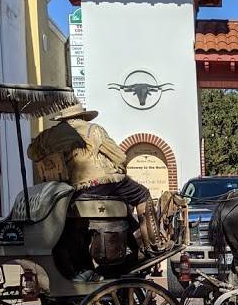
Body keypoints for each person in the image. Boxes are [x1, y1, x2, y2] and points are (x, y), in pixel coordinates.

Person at [27, 104, 164, 257]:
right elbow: (120, 157)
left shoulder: (48, 135)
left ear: (62, 118)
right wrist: (119, 169)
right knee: (142, 194)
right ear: (83, 117)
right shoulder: (93, 129)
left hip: (71, 190)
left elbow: (31, 152)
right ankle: (153, 243)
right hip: (104, 182)